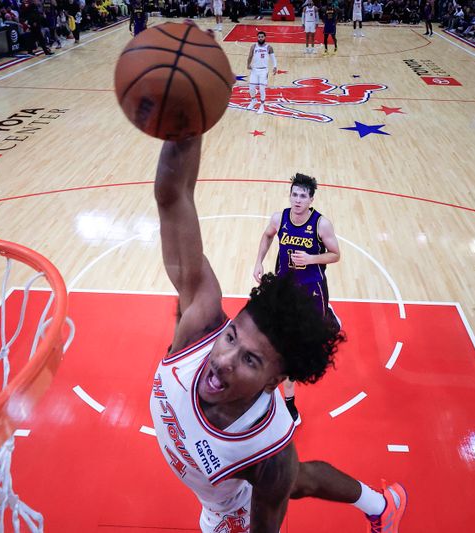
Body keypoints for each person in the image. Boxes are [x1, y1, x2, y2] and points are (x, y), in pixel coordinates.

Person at [151, 60, 406, 533]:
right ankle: (381, 505)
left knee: (297, 479)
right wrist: (189, 114)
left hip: (227, 511)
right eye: (231, 338)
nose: (223, 359)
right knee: (301, 480)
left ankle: (377, 508)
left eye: (250, 361)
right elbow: (173, 197)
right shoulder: (198, 328)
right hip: (219, 471)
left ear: (276, 382)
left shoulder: (268, 451)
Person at [252, 173, 341, 425]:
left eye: (303, 195)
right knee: (286, 347)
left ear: (311, 199)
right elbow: (268, 235)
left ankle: (327, 315)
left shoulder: (321, 224)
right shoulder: (279, 218)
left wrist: (311, 258)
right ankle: (289, 404)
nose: (298, 199)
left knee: (314, 336)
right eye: (294, 194)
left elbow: (335, 255)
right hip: (285, 286)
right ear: (290, 195)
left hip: (312, 286)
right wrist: (258, 261)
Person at [246, 31, 277, 115]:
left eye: (262, 37)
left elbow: (273, 58)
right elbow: (250, 56)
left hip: (264, 71)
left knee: (261, 89)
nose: (260, 38)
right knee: (251, 87)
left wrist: (275, 66)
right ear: (257, 37)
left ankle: (262, 105)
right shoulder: (253, 46)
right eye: (259, 37)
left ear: (265, 37)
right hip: (254, 70)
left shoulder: (269, 47)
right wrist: (248, 64)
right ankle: (253, 100)